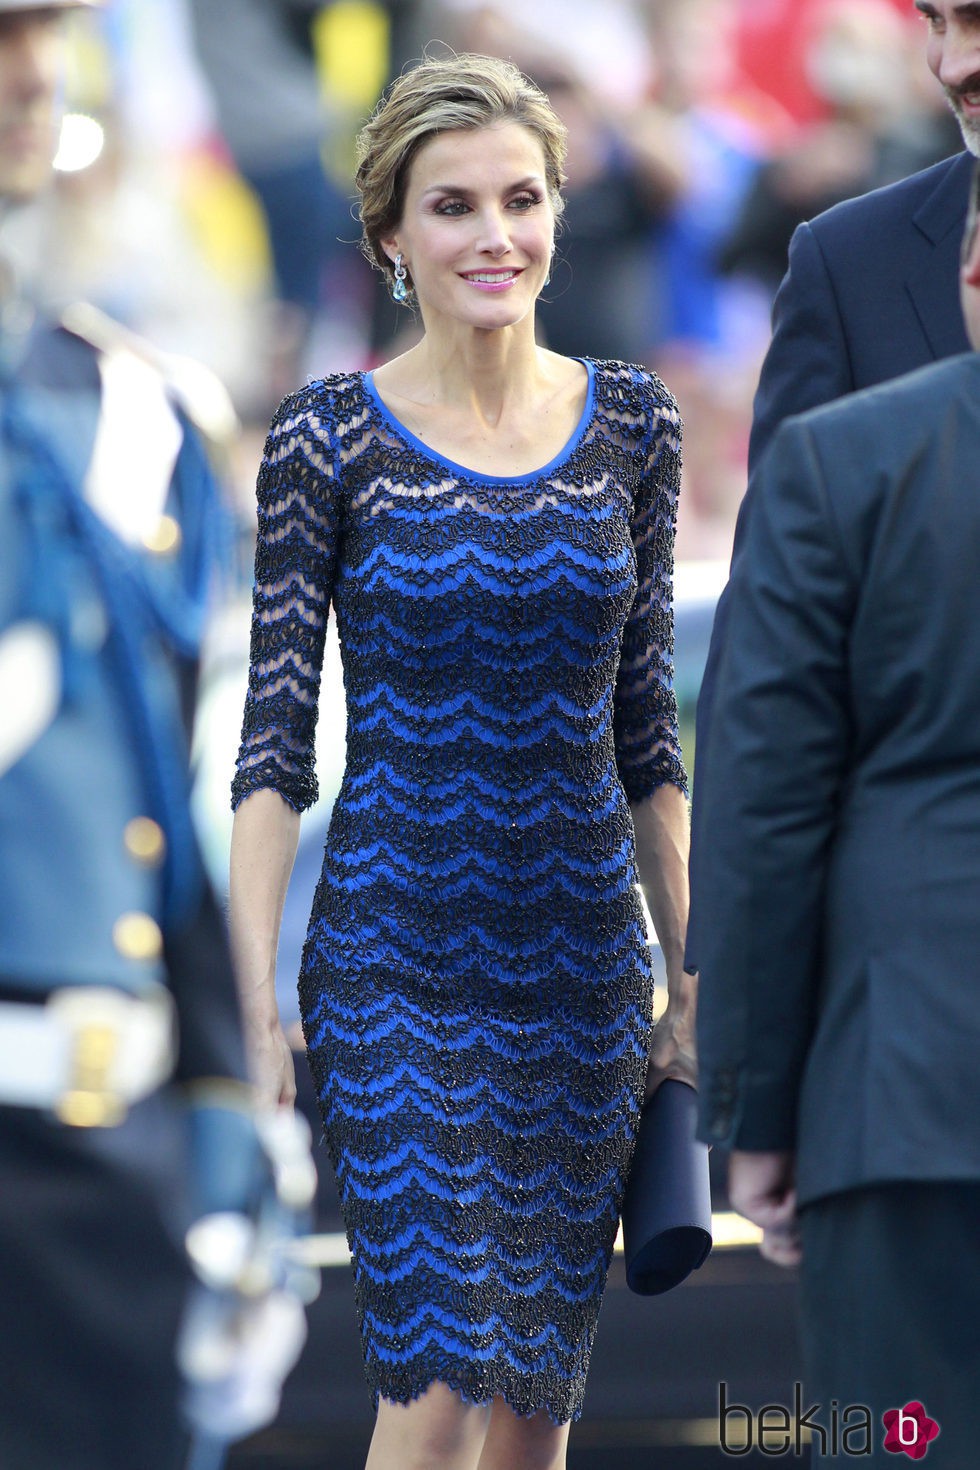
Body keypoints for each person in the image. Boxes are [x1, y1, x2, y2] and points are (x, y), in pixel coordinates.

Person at [229, 51, 695, 1470]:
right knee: (435, 1379)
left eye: (521, 199)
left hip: (580, 981)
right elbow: (271, 746)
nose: (494, 236)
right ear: (391, 238)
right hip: (392, 964)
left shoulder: (635, 424)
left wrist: (695, 979)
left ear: (558, 212)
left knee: (532, 1414)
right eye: (453, 208)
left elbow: (647, 741)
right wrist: (252, 998)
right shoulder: (327, 438)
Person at [0, 5, 313, 1467]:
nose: (20, 87)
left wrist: (231, 1129)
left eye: (34, 60)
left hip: (98, 1151)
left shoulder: (126, 412)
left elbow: (176, 815)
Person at [692, 162, 980, 1465]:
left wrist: (754, 1105)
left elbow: (765, 793)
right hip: (902, 1099)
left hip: (907, 1097)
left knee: (899, 1441)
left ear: (967, 274)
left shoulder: (845, 462)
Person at [686, 0, 980, 972]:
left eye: (974, 18)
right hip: (919, 997)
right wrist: (737, 1039)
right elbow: (767, 670)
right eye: (932, 21)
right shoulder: (854, 266)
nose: (948, 62)